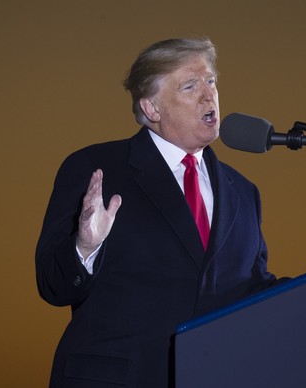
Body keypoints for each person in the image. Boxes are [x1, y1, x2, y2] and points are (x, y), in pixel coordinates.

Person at [36, 37, 280, 388]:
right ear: (152, 109)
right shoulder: (95, 168)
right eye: (190, 86)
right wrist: (84, 248)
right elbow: (53, 285)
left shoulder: (243, 192)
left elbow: (252, 290)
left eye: (211, 81)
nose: (209, 95)